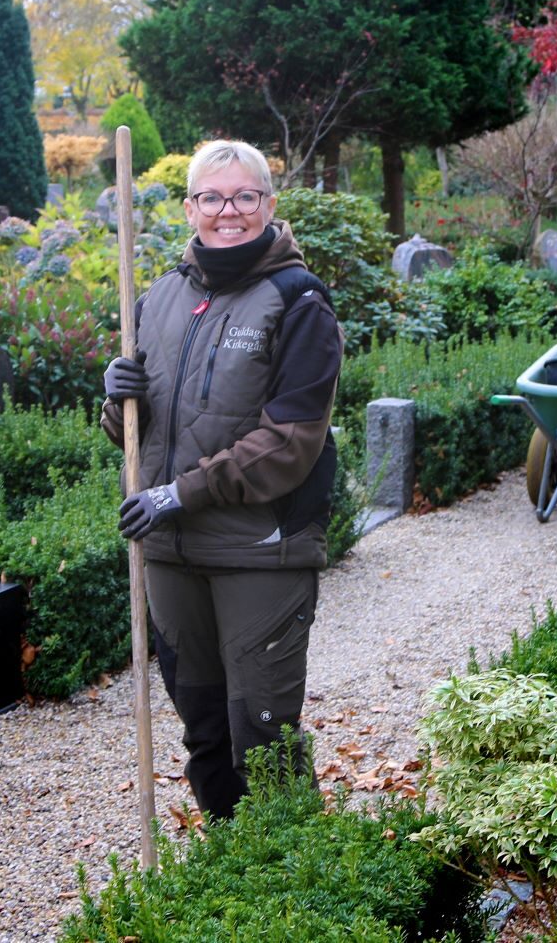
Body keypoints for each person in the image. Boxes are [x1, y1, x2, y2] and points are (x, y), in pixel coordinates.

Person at [100, 139, 343, 821]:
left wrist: (180, 494)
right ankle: (233, 871)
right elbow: (138, 434)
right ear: (189, 207)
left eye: (243, 196)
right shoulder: (161, 297)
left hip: (259, 550)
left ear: (269, 203)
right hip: (173, 553)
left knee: (261, 735)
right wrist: (116, 400)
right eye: (211, 197)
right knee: (204, 732)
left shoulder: (298, 302)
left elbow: (289, 444)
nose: (227, 211)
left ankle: (292, 881)